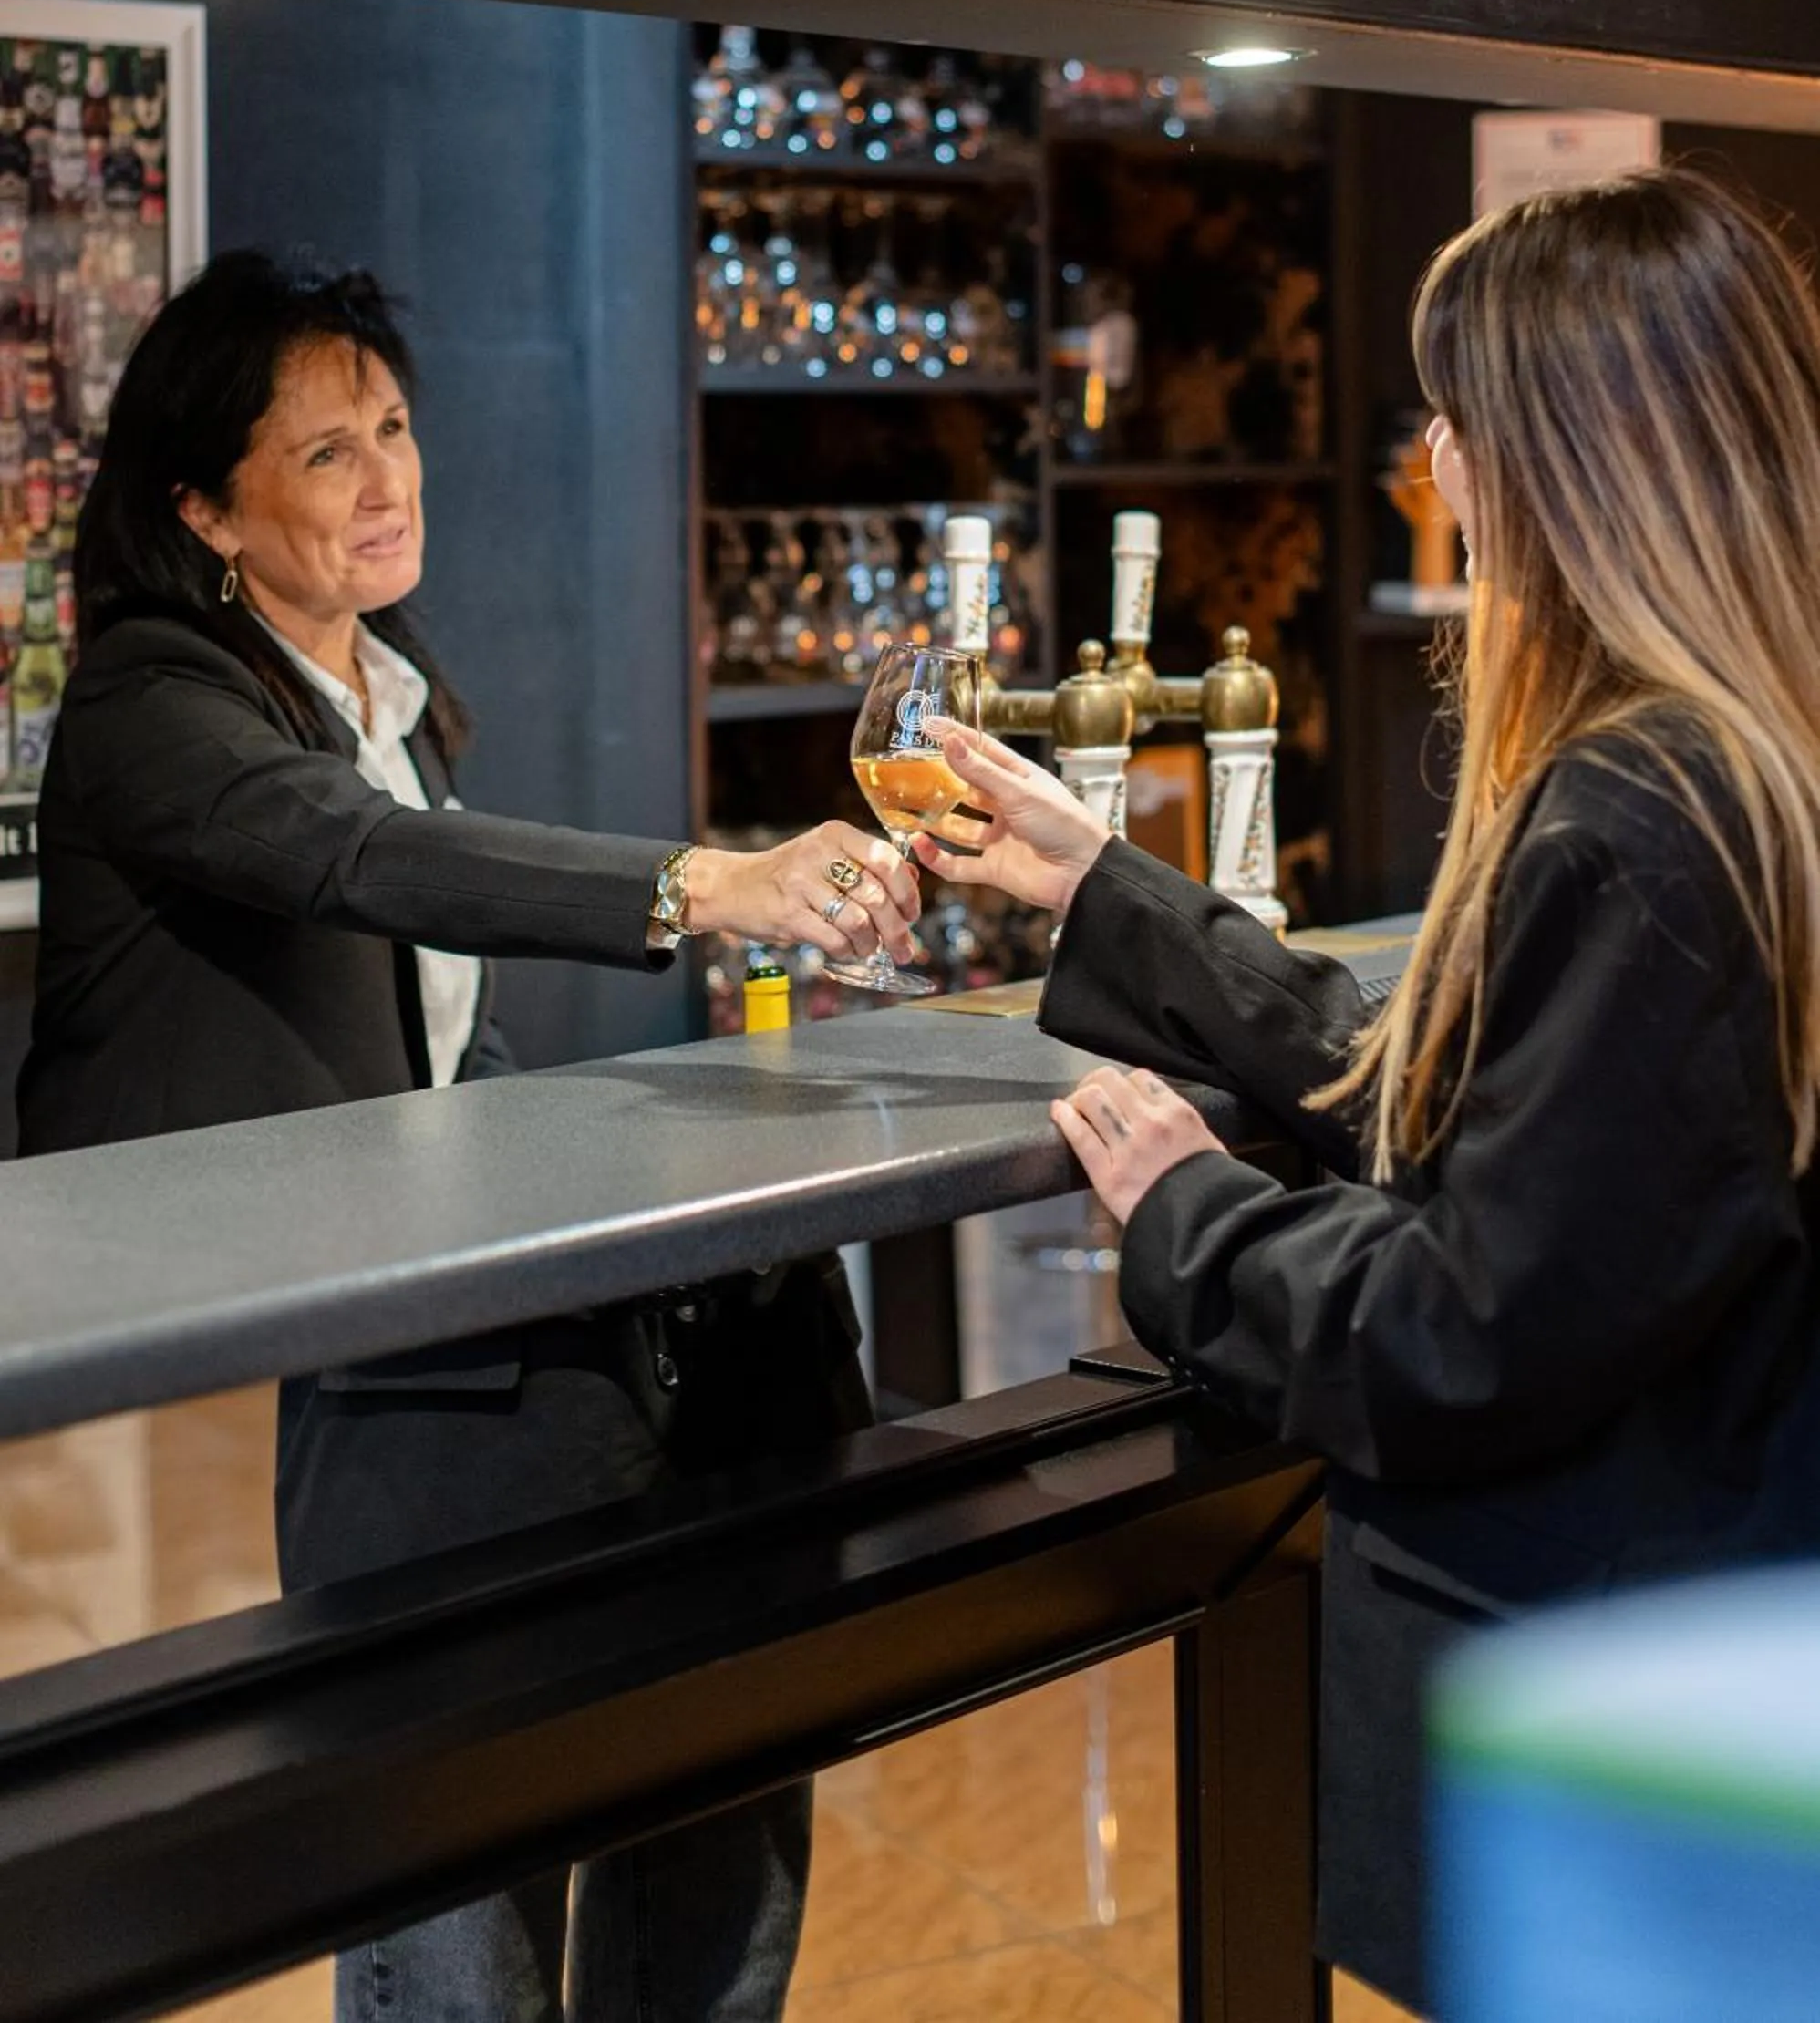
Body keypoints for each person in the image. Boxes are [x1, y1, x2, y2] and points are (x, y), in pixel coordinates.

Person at [915, 168, 1820, 2018]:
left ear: (1569, 451)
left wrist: (1189, 1217)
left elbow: (1464, 1326)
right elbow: (1474, 1104)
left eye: (1456, 416)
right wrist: (1108, 890)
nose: (1430, 458)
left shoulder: (1638, 818)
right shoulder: (1749, 766)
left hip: (1601, 1705)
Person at [16, 249, 922, 2023]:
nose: (390, 480)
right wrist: (703, 882)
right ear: (205, 508)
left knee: (692, 1791)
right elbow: (356, 862)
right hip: (299, 1342)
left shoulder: (387, 696)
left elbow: (429, 1031)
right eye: (329, 453)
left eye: (396, 430)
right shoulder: (151, 706)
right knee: (451, 1881)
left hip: (453, 1322)